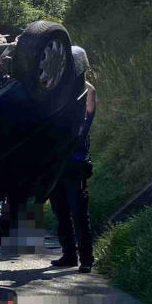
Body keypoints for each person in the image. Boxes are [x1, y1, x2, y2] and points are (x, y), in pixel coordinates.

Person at [50, 46, 97, 272]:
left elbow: (90, 96)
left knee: (78, 213)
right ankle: (69, 255)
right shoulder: (59, 100)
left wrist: (76, 78)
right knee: (60, 212)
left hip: (75, 164)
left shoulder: (85, 98)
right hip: (56, 165)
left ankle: (86, 259)